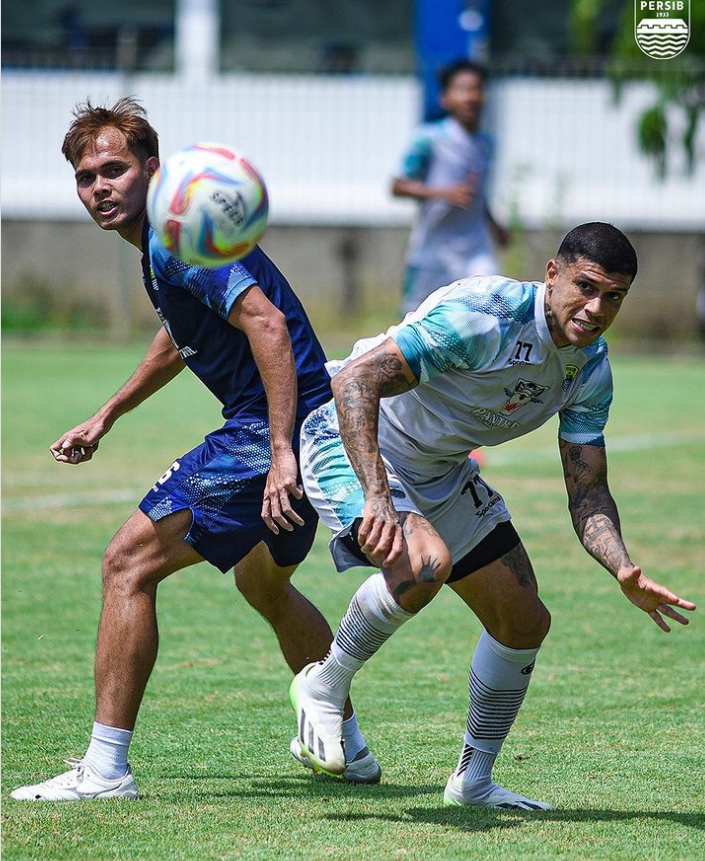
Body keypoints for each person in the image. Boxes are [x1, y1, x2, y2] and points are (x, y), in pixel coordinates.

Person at [11, 98, 379, 801]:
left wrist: (279, 452)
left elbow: (266, 326)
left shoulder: (175, 239)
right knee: (262, 583)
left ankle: (105, 769)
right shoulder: (175, 241)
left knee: (126, 563)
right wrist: (107, 414)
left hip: (267, 431)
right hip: (301, 423)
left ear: (152, 168)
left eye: (115, 169)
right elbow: (179, 337)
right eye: (86, 177)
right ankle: (350, 750)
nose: (101, 187)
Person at [288, 222, 696, 810]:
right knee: (425, 564)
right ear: (551, 274)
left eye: (614, 297)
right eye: (586, 286)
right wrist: (378, 496)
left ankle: (472, 781)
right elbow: (356, 381)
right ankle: (323, 686)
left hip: (441, 470)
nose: (596, 307)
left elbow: (589, 494)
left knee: (524, 620)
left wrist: (623, 568)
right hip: (353, 437)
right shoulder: (484, 316)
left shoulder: (589, 368)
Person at [392, 59, 509, 316]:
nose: (470, 96)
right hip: (433, 249)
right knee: (414, 319)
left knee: (494, 309)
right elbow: (398, 185)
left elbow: (477, 194)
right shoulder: (429, 139)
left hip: (475, 248)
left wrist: (494, 224)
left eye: (476, 88)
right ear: (446, 98)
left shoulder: (485, 144)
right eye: (462, 89)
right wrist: (442, 193)